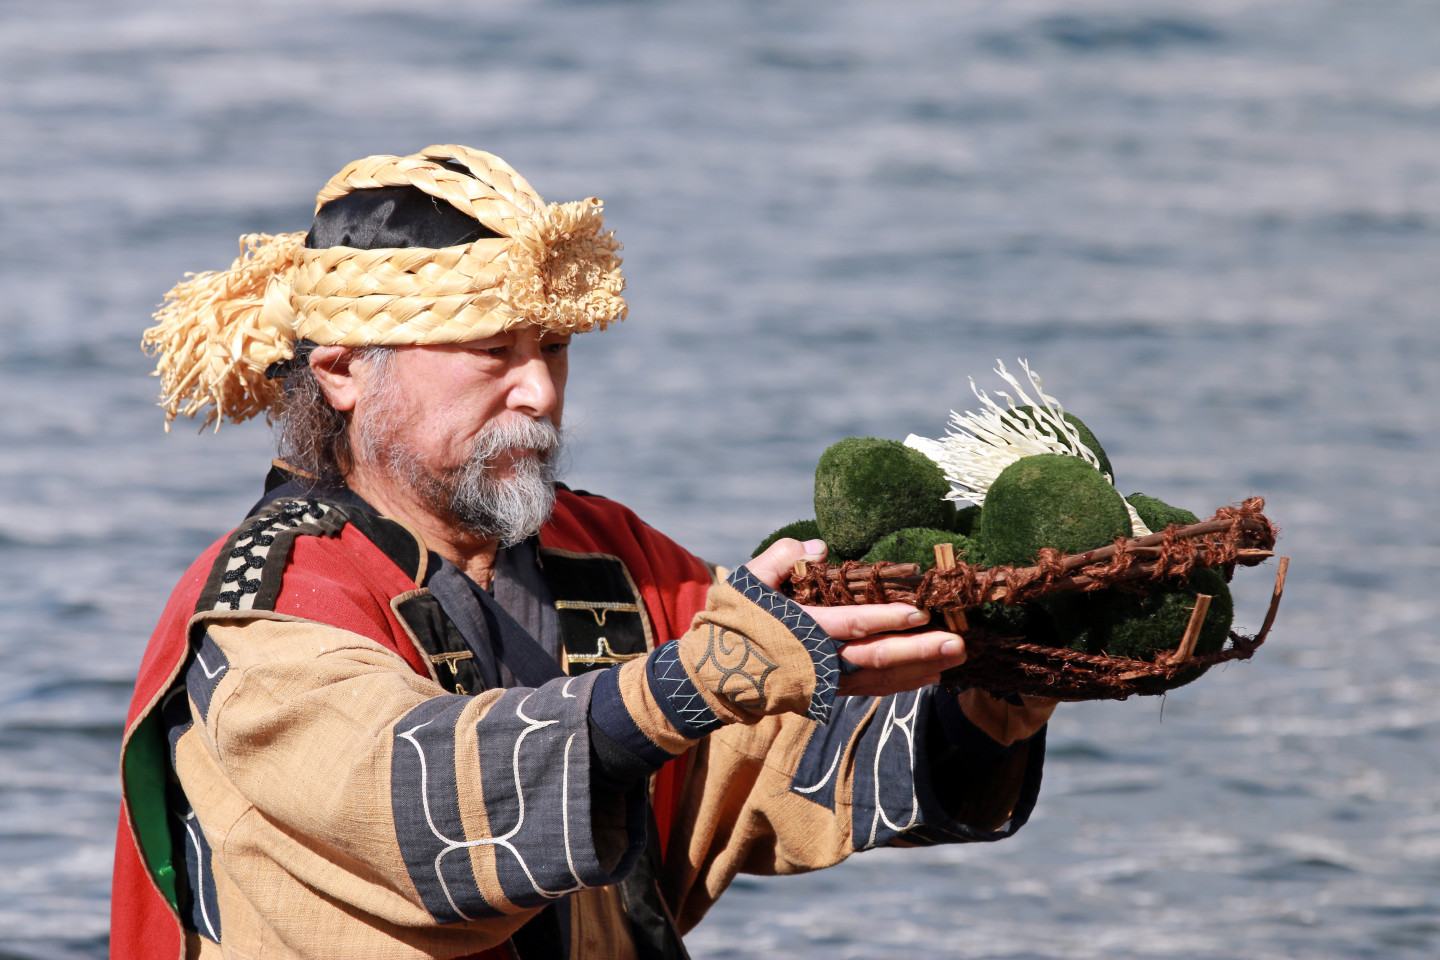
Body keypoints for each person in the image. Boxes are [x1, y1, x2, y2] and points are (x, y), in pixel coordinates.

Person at [111, 144, 1056, 960]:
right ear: (345, 371)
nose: (538, 391)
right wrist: (681, 688)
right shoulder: (267, 609)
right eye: (491, 351)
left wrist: (991, 696)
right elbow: (413, 803)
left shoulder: (604, 553)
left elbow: (787, 766)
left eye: (554, 347)